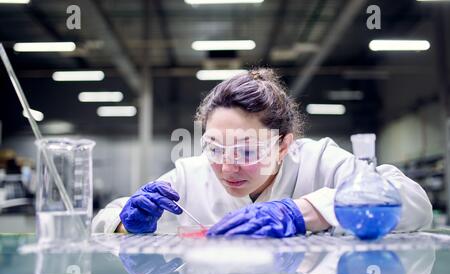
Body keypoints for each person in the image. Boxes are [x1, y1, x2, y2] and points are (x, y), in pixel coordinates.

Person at [92, 68, 432, 237]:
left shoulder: (318, 162)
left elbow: (415, 205)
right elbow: (104, 220)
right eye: (214, 147)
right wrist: (126, 224)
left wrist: (305, 213)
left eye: (247, 150)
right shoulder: (188, 176)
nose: (227, 166)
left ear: (284, 145)